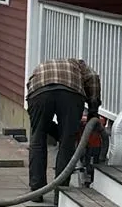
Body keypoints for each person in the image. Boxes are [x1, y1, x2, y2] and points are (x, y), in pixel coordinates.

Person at [25, 56, 102, 191]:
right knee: (67, 142)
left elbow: (30, 87)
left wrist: (47, 128)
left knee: (37, 139)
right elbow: (93, 79)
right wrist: (93, 110)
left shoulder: (42, 66)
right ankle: (60, 190)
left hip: (39, 92)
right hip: (70, 93)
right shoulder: (80, 65)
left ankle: (37, 189)